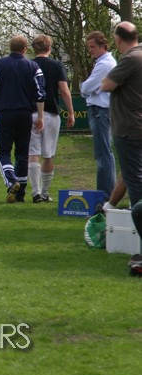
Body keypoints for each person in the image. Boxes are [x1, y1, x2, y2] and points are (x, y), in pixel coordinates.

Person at [0, 35, 46, 202]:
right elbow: (40, 93)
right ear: (25, 49)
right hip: (25, 114)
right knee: (22, 153)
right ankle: (20, 194)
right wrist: (40, 116)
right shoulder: (33, 66)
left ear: (10, 48)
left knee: (2, 151)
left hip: (5, 112)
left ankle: (11, 180)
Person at [100, 22, 142, 226]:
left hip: (129, 127)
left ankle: (137, 227)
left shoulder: (131, 59)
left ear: (118, 39)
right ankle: (109, 207)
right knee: (128, 172)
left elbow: (106, 85)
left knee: (135, 179)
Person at [27, 34, 76, 203]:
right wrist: (71, 112)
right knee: (48, 154)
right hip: (51, 113)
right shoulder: (56, 65)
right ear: (49, 47)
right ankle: (45, 192)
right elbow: (64, 89)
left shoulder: (29, 65)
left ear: (34, 49)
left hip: (31, 112)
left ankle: (35, 192)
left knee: (32, 153)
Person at [81, 30, 117, 199]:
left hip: (101, 111)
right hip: (101, 110)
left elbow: (86, 88)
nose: (90, 51)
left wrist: (87, 88)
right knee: (103, 153)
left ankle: (105, 194)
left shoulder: (104, 65)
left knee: (103, 154)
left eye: (93, 47)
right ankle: (106, 193)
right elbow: (90, 88)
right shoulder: (103, 63)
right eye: (89, 47)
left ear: (103, 45)